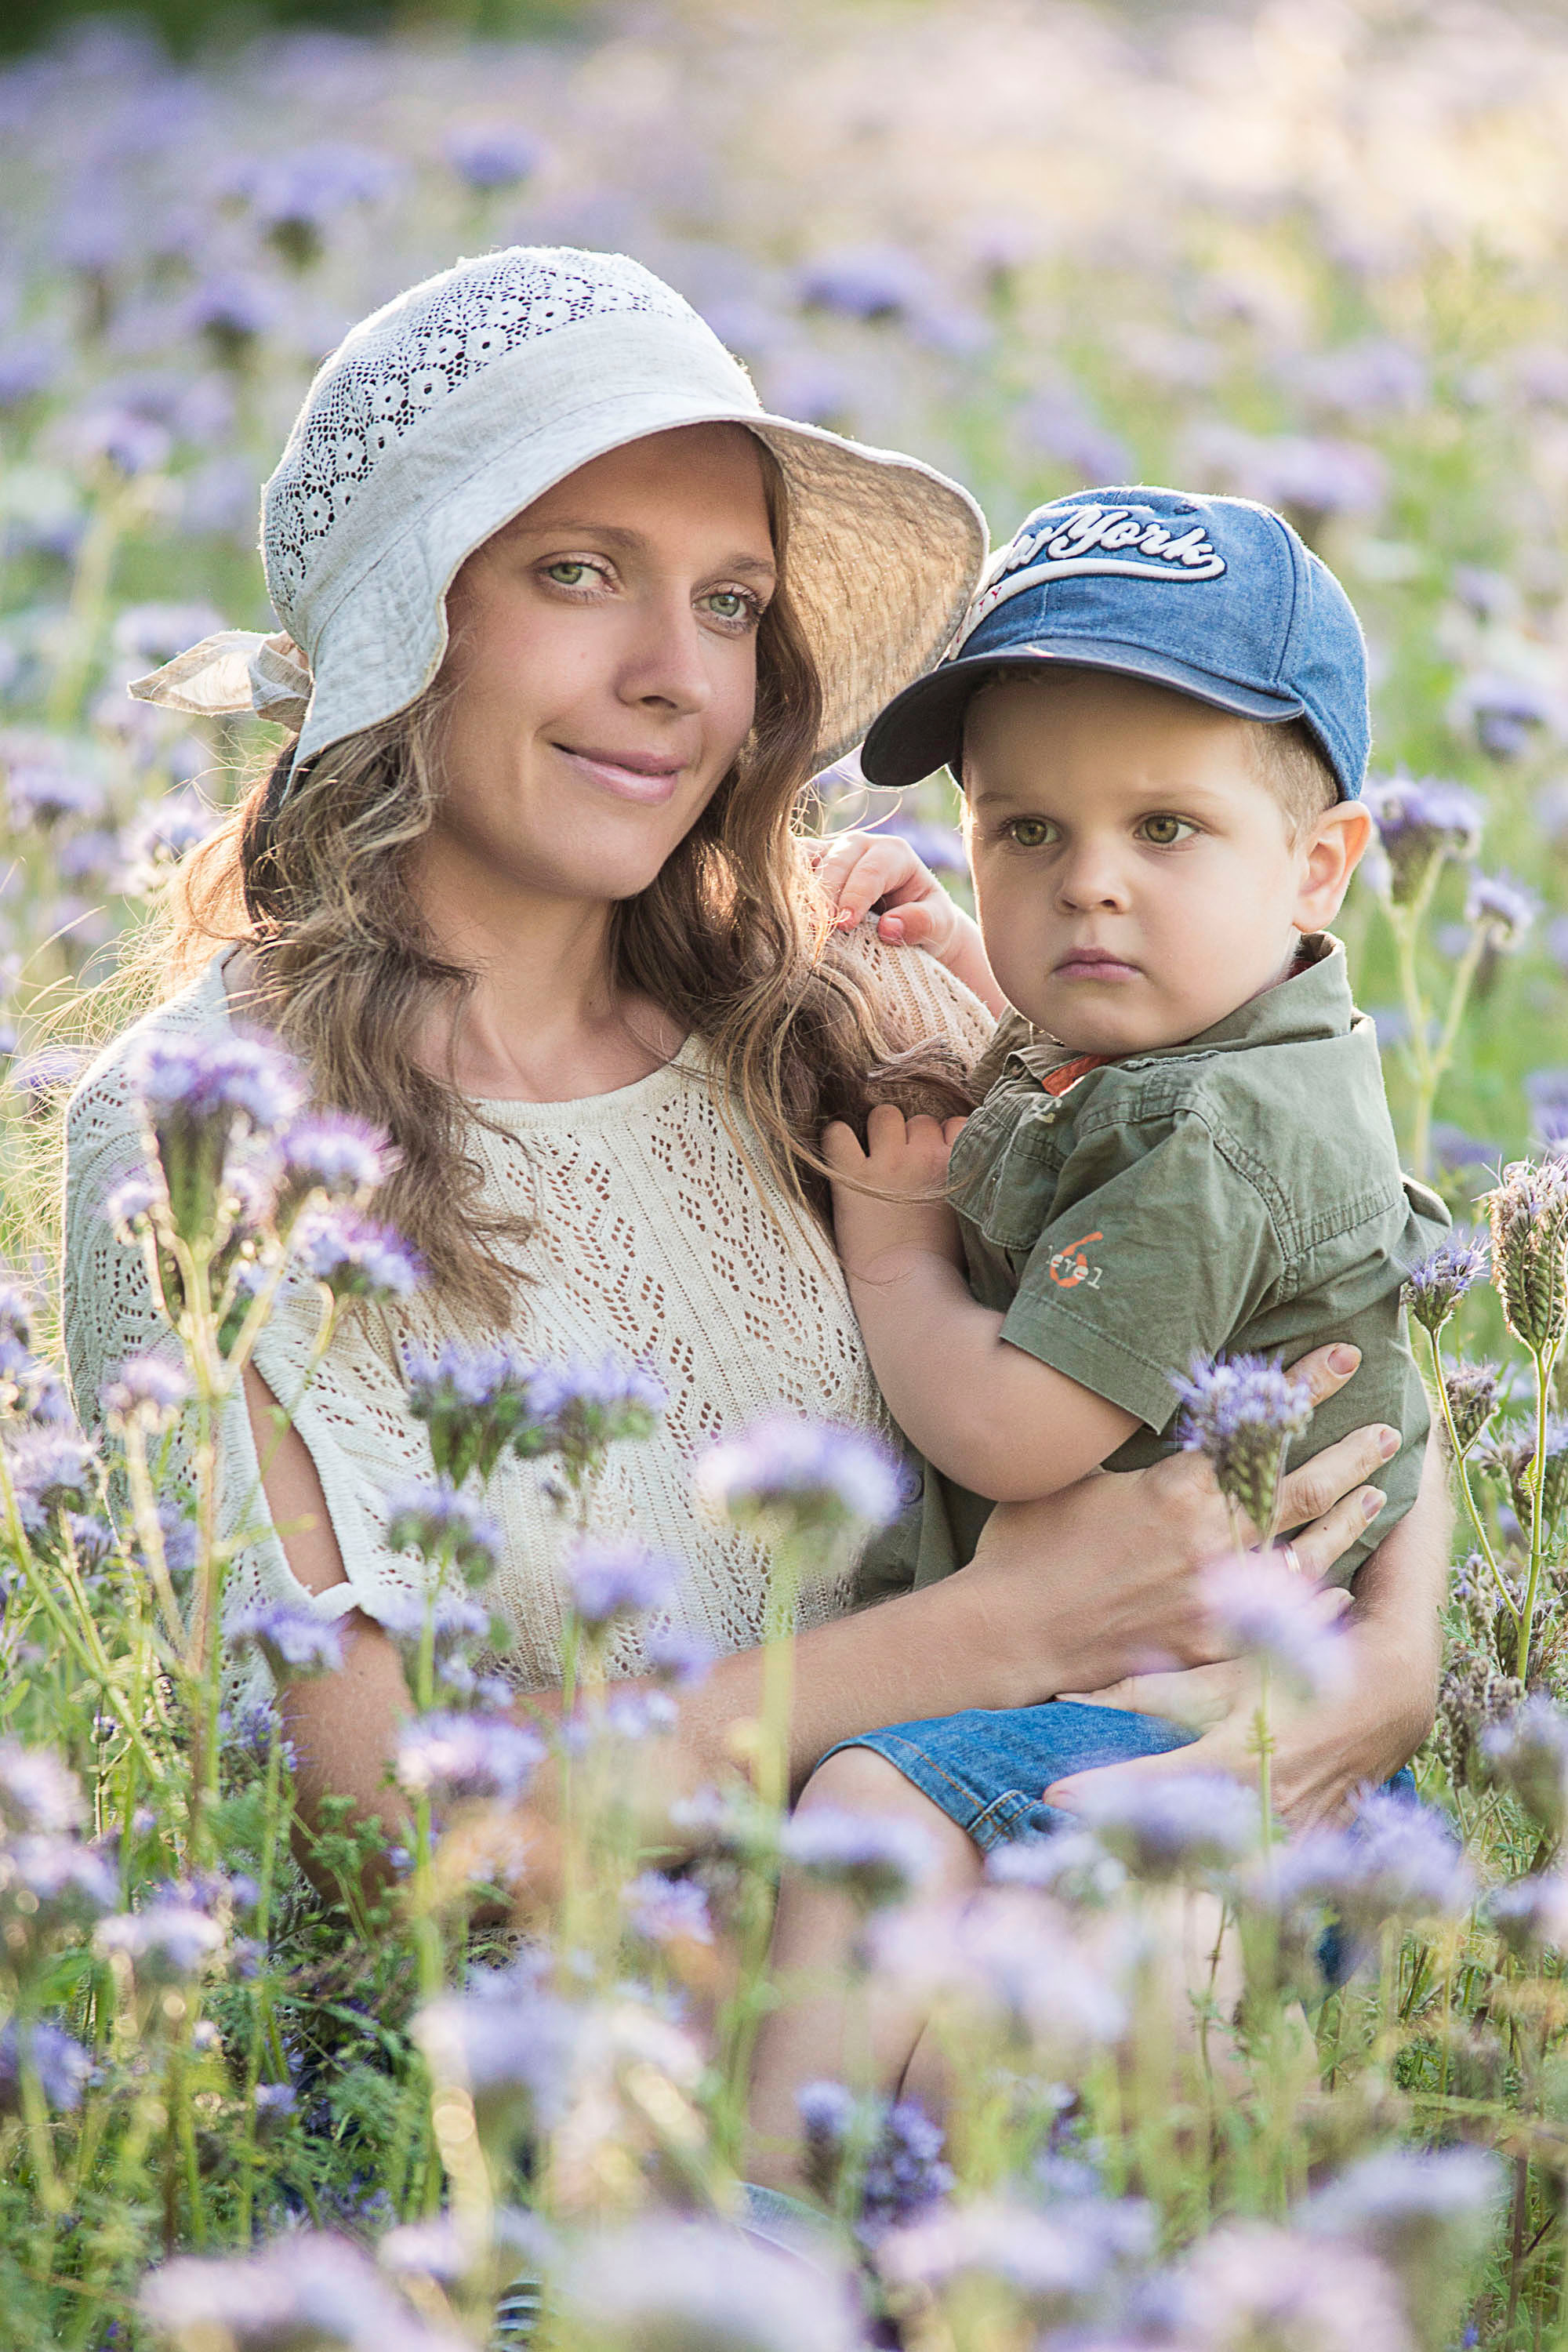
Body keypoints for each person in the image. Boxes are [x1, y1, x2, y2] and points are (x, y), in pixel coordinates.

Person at [62, 256, 1442, 1966]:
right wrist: (995, 1631)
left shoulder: (839, 1012)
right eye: (580, 575)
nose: (677, 677)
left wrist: (1400, 1652)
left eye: (729, 602)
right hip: (602, 2098)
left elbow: (1302, 1249)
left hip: (1076, 1958)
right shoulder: (210, 1144)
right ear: (399, 623)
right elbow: (399, 1853)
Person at [744, 488, 1450, 2177]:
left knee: (864, 1816)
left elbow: (1013, 1436)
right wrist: (986, 1006)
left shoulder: (1217, 1145)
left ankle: (746, 2226)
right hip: (1204, 1710)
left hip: (1178, 1720)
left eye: (1164, 831)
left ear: (1319, 866)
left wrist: (899, 1237)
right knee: (971, 2079)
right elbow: (1107, 1139)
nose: (1087, 895)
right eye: (1026, 835)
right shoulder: (1245, 1051)